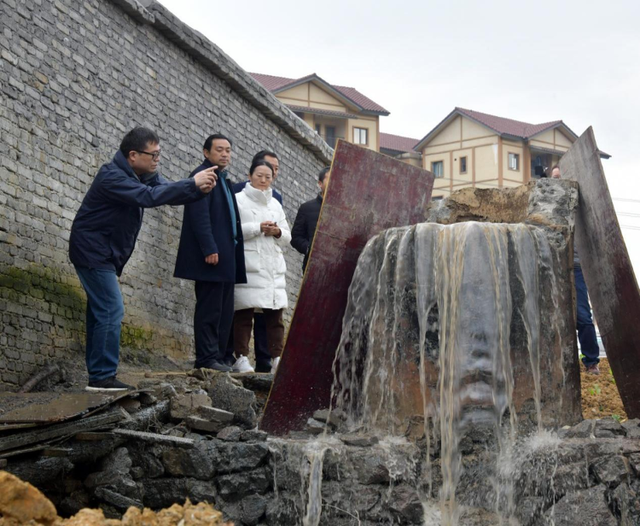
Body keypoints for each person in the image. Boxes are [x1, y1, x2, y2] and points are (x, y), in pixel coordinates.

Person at [69, 127, 217, 391]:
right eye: (154, 154)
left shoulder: (142, 174)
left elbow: (165, 190)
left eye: (159, 154)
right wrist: (192, 182)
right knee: (111, 309)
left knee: (100, 311)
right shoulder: (112, 176)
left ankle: (98, 375)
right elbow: (148, 198)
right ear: (133, 155)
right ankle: (102, 377)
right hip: (92, 250)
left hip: (104, 252)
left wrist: (197, 190)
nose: (157, 159)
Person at [174, 134, 246, 373]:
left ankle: (220, 356)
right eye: (219, 150)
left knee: (225, 310)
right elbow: (199, 215)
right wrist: (209, 248)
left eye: (228, 150)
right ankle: (205, 358)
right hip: (212, 255)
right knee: (209, 308)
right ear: (206, 153)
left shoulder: (224, 179)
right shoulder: (202, 175)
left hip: (227, 255)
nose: (225, 154)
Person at [232, 160, 291, 374]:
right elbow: (233, 229)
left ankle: (277, 358)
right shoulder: (238, 199)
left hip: (272, 265)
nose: (264, 180)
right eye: (259, 175)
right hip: (249, 264)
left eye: (268, 176)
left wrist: (277, 232)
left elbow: (287, 235)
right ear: (249, 175)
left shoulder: (275, 204)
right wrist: (258, 228)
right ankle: (241, 357)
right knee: (243, 313)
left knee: (275, 316)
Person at [551, 164, 601, 374]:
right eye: (554, 178)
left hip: (578, 268)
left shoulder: (581, 205)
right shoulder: (548, 203)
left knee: (582, 316)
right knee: (552, 317)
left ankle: (591, 361)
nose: (557, 181)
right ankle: (555, 362)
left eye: (560, 177)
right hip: (553, 268)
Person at [291, 167, 331, 272]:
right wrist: (310, 249)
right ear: (320, 183)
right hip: (312, 267)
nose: (333, 181)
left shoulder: (346, 211)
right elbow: (295, 237)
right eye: (329, 178)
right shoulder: (307, 208)